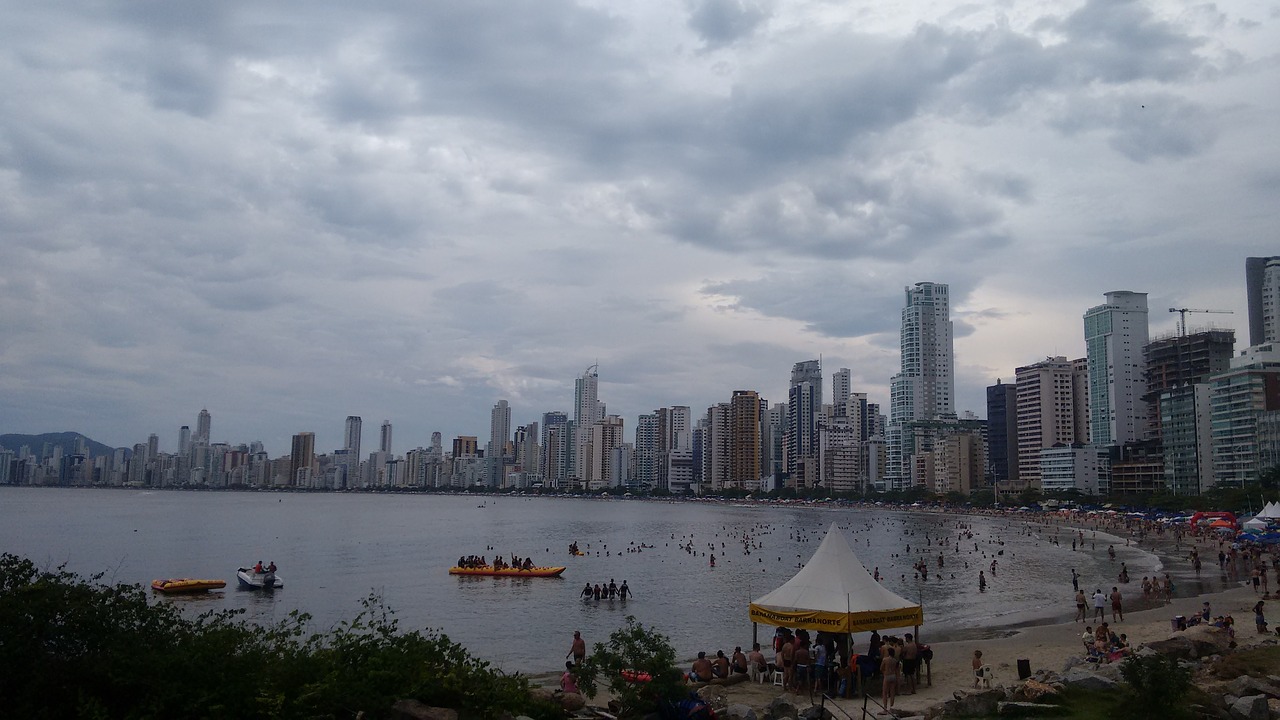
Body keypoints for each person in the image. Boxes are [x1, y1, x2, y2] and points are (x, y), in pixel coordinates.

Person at [880, 646, 899, 712]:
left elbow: (881, 668)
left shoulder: (885, 659)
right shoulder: (895, 660)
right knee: (892, 692)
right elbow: (896, 670)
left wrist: (883, 672)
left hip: (887, 675)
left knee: (885, 692)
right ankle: (892, 706)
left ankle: (885, 707)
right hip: (893, 675)